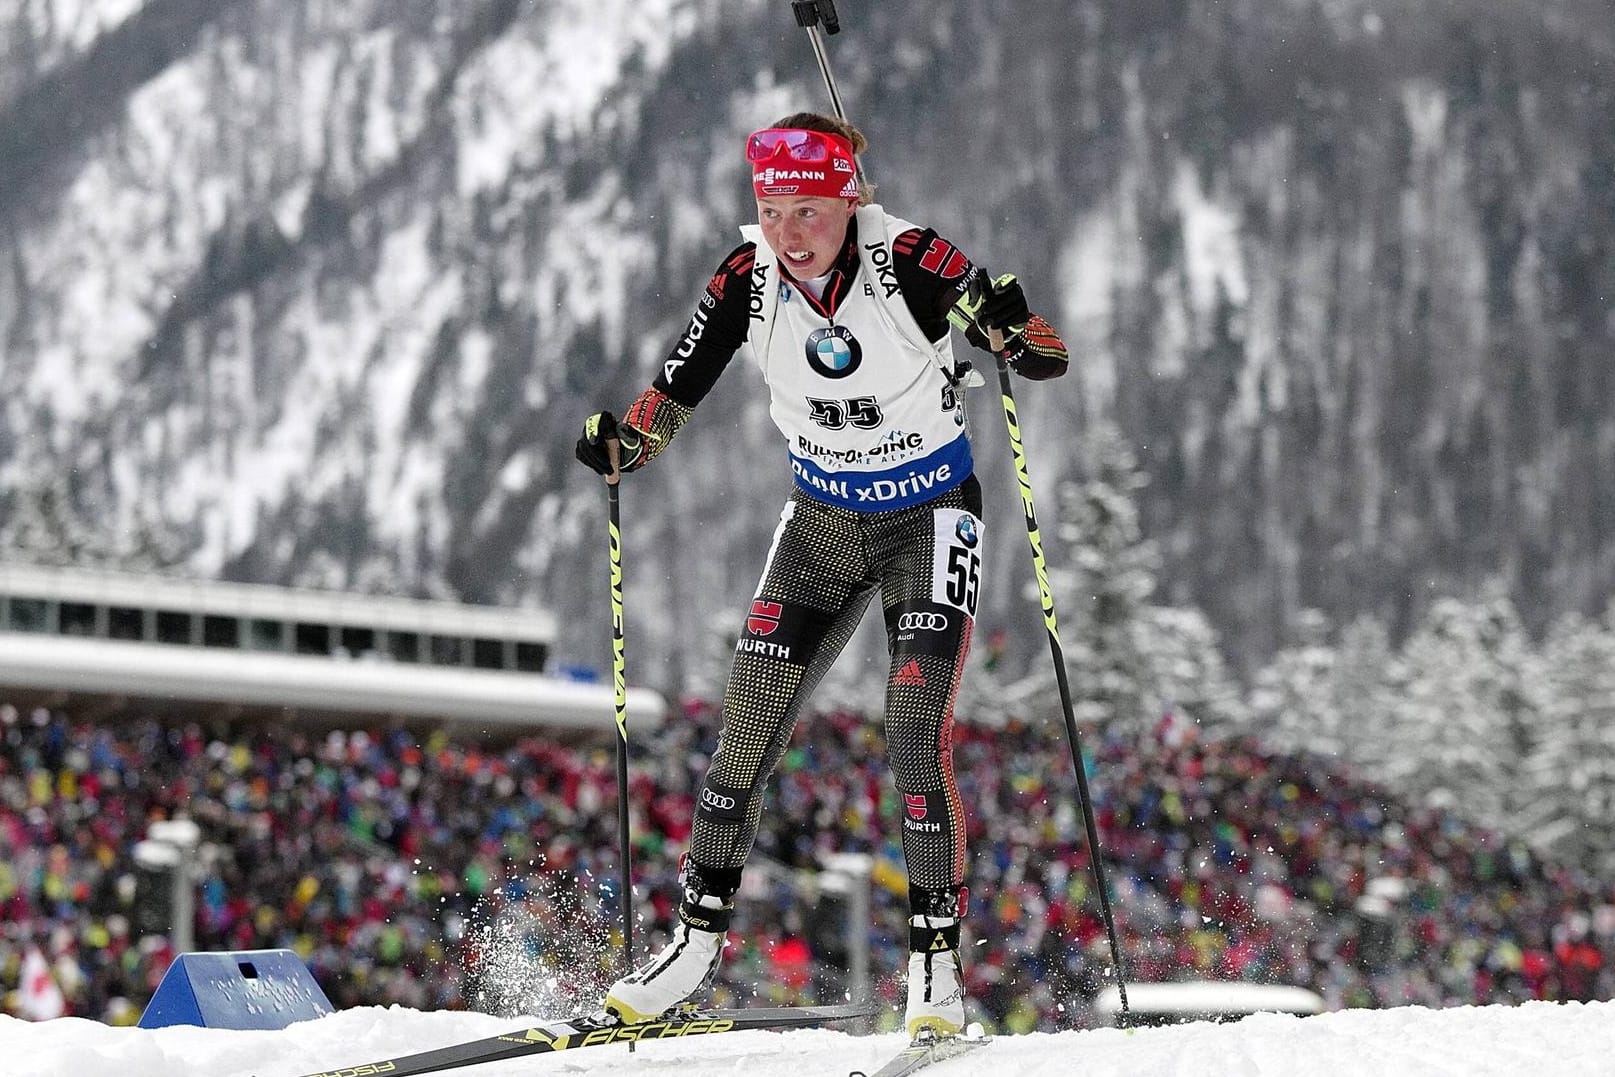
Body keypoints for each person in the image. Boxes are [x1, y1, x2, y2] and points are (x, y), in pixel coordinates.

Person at [575, 112, 1068, 1039]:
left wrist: (1009, 322)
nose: (787, 230)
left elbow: (1041, 356)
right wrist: (622, 444)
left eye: (806, 208)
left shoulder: (910, 259)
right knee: (743, 737)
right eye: (770, 207)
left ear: (849, 199)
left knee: (913, 734)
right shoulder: (745, 277)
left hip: (929, 516)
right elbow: (677, 386)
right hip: (821, 524)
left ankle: (934, 967)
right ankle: (691, 945)